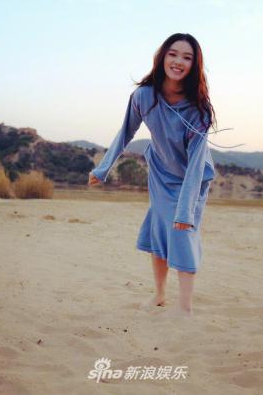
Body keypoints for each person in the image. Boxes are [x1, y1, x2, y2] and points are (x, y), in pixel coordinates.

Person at [88, 33, 216, 317]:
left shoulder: (199, 109)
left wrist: (185, 210)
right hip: (160, 173)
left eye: (187, 57)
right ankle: (159, 295)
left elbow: (196, 164)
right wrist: (103, 168)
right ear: (162, 57)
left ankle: (185, 307)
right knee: (160, 232)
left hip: (191, 179)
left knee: (182, 234)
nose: (178, 61)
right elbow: (126, 132)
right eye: (173, 54)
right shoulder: (144, 96)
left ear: (194, 65)